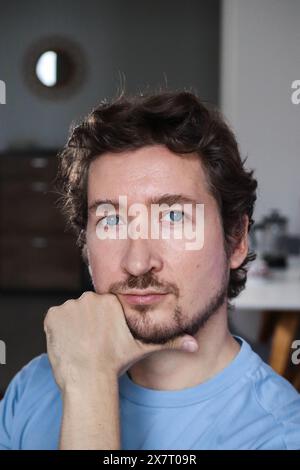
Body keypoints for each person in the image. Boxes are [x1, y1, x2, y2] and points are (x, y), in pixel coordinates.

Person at [1, 91, 299, 450]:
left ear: (236, 240)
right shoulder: (32, 386)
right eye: (111, 220)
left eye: (174, 217)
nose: (138, 262)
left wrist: (92, 384)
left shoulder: (279, 436)